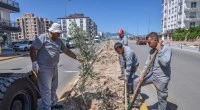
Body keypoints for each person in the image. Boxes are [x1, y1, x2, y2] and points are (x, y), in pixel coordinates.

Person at [30, 23, 83, 110]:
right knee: (46, 89)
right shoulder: (43, 37)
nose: (59, 34)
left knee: (53, 88)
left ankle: (53, 103)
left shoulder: (58, 41)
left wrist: (77, 57)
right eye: (58, 33)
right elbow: (33, 48)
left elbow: (66, 50)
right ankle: (47, 107)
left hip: (54, 67)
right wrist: (34, 63)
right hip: (44, 68)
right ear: (53, 32)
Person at [133, 32, 172, 109]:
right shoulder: (151, 51)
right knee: (136, 82)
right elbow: (147, 65)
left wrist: (159, 50)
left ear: (155, 40)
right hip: (152, 75)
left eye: (149, 42)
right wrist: (141, 76)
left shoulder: (167, 49)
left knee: (162, 98)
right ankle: (137, 101)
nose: (148, 44)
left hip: (162, 78)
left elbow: (165, 63)